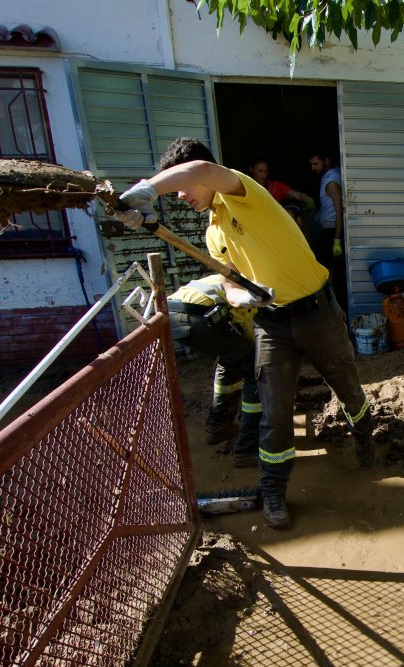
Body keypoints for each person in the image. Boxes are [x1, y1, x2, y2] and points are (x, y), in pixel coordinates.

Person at [117, 137, 374, 531]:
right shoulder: (212, 234)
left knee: (347, 385)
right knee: (273, 409)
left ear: (202, 173)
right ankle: (273, 491)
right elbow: (229, 282)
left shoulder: (243, 192)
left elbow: (202, 172)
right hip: (273, 322)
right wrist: (241, 297)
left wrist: (148, 189)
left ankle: (364, 435)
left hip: (318, 312)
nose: (181, 196)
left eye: (182, 186)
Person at [166, 274, 259, 469]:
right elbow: (250, 330)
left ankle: (219, 425)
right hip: (205, 315)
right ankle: (247, 449)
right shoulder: (259, 286)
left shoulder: (238, 273)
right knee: (255, 371)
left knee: (231, 361)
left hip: (174, 314)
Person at [309, 148, 347, 304]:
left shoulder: (331, 181)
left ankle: (335, 305)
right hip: (330, 231)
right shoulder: (334, 174)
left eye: (316, 163)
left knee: (331, 272)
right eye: (311, 164)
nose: (313, 168)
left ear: (327, 161)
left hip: (332, 231)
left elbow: (340, 212)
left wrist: (337, 240)